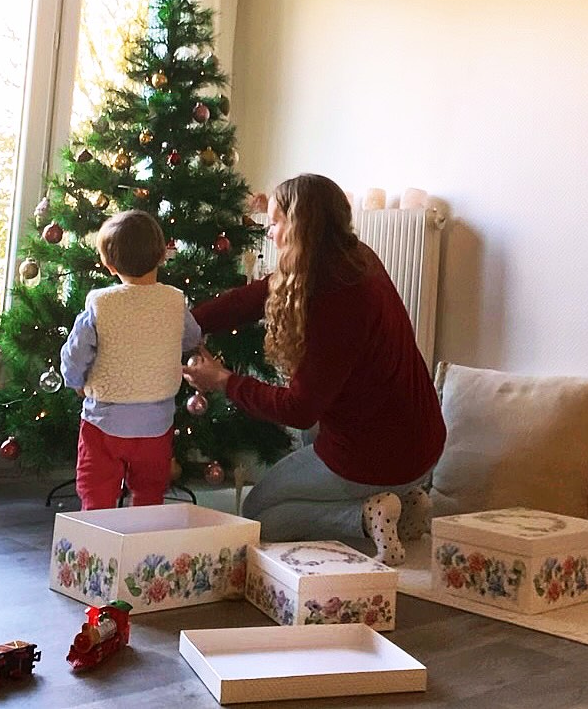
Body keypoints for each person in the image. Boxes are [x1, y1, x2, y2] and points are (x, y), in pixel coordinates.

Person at [183, 174, 446, 566]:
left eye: (274, 223)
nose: (269, 233)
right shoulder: (353, 256)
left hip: (379, 454)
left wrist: (224, 381)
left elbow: (298, 408)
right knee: (312, 438)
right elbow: (257, 296)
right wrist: (189, 323)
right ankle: (407, 505)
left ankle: (363, 515)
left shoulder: (333, 298)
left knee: (258, 517)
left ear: (299, 226)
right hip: (422, 443)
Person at [61, 209, 203, 510]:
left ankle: (97, 549)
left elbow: (75, 353)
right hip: (157, 421)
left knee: (96, 491)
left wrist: (75, 382)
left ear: (109, 264)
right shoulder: (175, 301)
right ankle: (144, 549)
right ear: (162, 256)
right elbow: (192, 338)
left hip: (104, 420)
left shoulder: (101, 304)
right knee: (150, 493)